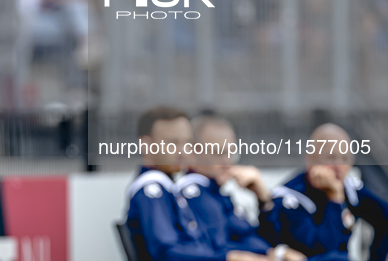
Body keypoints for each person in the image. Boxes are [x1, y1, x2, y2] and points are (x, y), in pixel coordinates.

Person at [126, 106, 270, 261]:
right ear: (146, 144)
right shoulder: (152, 189)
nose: (183, 151)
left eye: (186, 142)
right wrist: (229, 258)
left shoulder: (169, 189)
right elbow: (166, 253)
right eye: (173, 143)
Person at [176, 114, 305, 261]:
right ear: (192, 154)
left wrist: (263, 200)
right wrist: (272, 255)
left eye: (231, 153)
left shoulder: (216, 194)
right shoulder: (195, 193)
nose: (227, 162)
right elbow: (217, 247)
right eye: (219, 153)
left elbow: (261, 239)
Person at [259, 123, 388, 261]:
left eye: (345, 159)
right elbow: (323, 249)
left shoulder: (349, 188)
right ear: (310, 159)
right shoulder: (290, 198)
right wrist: (335, 198)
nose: (338, 166)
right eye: (331, 157)